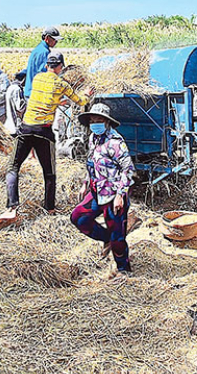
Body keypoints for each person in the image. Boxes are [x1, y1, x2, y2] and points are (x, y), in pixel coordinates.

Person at [0, 51, 91, 224]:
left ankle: (11, 208)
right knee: (49, 173)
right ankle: (50, 208)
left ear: (47, 65)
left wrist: (57, 101)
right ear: (61, 67)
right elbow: (80, 101)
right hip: (43, 132)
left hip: (25, 128)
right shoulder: (62, 84)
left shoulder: (37, 79)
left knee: (13, 167)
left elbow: (43, 98)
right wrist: (87, 93)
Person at [70, 103, 135, 274]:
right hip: (96, 191)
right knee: (78, 218)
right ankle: (105, 238)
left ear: (107, 122)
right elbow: (93, 164)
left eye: (99, 120)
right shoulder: (93, 138)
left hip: (113, 195)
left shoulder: (115, 143)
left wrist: (121, 195)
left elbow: (128, 170)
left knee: (118, 237)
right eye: (92, 120)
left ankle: (124, 270)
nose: (95, 124)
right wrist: (85, 183)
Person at [24, 26, 61, 99]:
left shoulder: (38, 49)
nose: (56, 42)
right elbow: (44, 73)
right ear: (47, 38)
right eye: (54, 40)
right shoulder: (44, 52)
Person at [4, 69, 27, 136]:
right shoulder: (17, 89)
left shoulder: (11, 87)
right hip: (15, 127)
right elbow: (20, 108)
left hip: (9, 125)